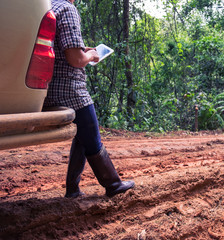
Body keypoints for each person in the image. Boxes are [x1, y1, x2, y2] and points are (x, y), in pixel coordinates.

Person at [44, 0, 135, 198]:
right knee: (92, 135)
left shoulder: (47, 6)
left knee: (82, 134)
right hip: (70, 90)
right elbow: (76, 60)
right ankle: (113, 184)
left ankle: (73, 188)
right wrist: (92, 54)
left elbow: (58, 48)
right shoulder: (67, 9)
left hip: (49, 86)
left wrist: (82, 50)